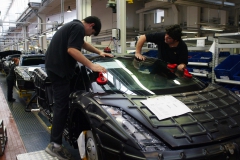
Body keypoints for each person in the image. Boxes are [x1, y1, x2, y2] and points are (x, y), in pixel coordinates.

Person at [44, 16, 113, 160]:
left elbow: (82, 44)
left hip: (55, 69)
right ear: (91, 25)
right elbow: (72, 50)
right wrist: (92, 65)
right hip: (59, 72)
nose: (88, 36)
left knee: (63, 105)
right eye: (91, 33)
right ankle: (55, 145)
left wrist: (99, 52)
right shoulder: (78, 27)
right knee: (61, 107)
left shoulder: (73, 26)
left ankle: (59, 138)